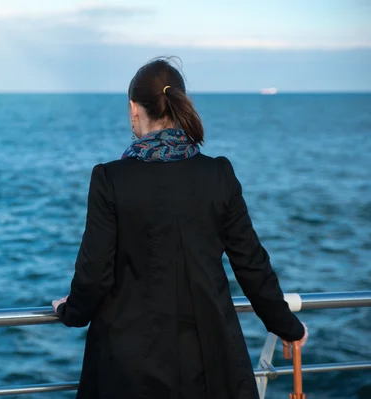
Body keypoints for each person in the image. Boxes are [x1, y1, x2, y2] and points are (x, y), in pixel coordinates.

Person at [51, 57, 308, 399]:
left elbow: (94, 273)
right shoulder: (218, 175)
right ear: (181, 104)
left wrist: (71, 311)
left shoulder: (110, 179)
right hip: (209, 362)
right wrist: (286, 325)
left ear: (133, 109)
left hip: (128, 366)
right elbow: (251, 265)